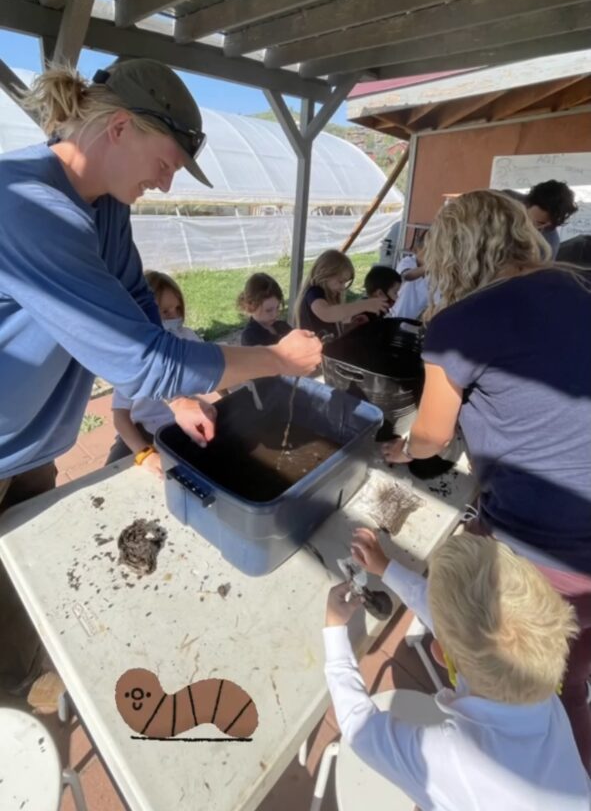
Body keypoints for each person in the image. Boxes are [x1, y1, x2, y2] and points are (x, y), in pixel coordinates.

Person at [0, 59, 321, 696]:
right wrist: (278, 360)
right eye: (168, 164)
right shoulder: (24, 202)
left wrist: (178, 397)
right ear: (119, 128)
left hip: (30, 445)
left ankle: (21, 678)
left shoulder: (104, 206)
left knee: (20, 587)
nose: (168, 186)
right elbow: (143, 357)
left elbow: (140, 310)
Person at [382, 189, 591, 768]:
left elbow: (430, 436)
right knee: (569, 679)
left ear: (457, 253)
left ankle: (499, 776)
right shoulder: (578, 286)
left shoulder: (462, 323)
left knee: (508, 680)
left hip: (543, 544)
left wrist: (398, 450)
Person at [324, 528, 590, 811]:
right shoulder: (541, 692)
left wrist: (334, 628)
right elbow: (458, 628)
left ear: (438, 652)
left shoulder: (452, 760)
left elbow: (358, 727)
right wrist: (386, 568)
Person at [108, 270, 218, 471]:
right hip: (140, 430)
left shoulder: (188, 338)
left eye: (177, 309)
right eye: (166, 312)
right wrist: (144, 454)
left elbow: (215, 371)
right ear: (143, 312)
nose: (174, 317)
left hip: (181, 425)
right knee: (111, 472)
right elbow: (120, 417)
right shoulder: (133, 355)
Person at [294, 250, 388, 339]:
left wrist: (351, 325)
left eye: (345, 282)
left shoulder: (328, 296)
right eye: (340, 281)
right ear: (324, 274)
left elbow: (332, 331)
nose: (343, 287)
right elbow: (327, 313)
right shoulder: (314, 292)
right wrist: (365, 305)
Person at [506, 179, 578, 257]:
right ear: (527, 203)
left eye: (551, 225)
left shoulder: (548, 245)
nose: (542, 228)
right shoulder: (504, 199)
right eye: (540, 222)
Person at [237, 272, 292, 346]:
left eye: (277, 307)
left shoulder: (282, 326)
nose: (275, 314)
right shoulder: (250, 336)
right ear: (251, 306)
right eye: (268, 310)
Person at [392, 228, 429, 321]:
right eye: (427, 251)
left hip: (416, 320)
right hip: (396, 315)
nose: (431, 255)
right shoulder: (408, 261)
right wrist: (430, 266)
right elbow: (407, 276)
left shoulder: (435, 274)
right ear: (417, 250)